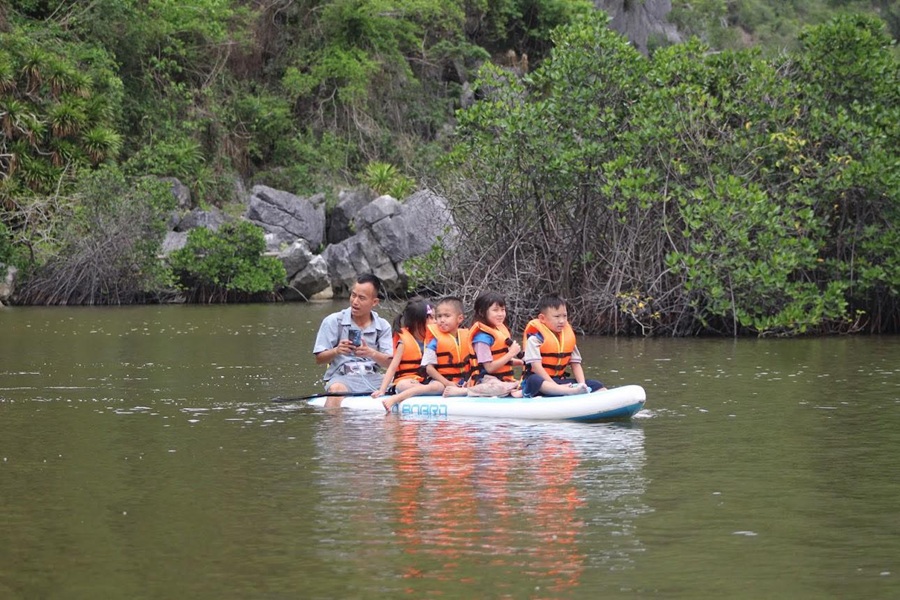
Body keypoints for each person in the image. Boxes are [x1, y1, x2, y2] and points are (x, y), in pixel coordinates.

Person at [313, 274, 393, 407]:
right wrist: (337, 351)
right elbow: (319, 359)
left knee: (402, 383)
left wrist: (371, 353)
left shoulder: (383, 326)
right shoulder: (333, 321)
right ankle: (332, 426)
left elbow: (390, 363)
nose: (355, 302)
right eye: (353, 295)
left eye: (361, 298)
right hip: (342, 379)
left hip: (373, 378)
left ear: (374, 302)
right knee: (337, 390)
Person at [520, 294, 606, 397]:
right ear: (542, 318)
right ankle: (566, 391)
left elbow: (576, 364)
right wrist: (557, 387)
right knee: (534, 380)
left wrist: (582, 385)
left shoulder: (567, 338)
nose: (562, 321)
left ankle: (575, 391)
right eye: (556, 316)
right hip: (540, 383)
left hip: (560, 382)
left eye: (564, 316)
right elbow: (536, 368)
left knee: (597, 384)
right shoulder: (535, 339)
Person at [373, 297, 438, 412]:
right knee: (403, 385)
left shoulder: (434, 340)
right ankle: (421, 391)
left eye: (435, 317)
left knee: (440, 385)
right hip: (407, 381)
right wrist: (382, 390)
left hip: (426, 381)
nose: (436, 321)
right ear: (418, 321)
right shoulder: (403, 342)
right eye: (431, 318)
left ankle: (424, 389)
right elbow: (392, 367)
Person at [468, 291, 522, 384]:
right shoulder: (482, 339)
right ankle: (464, 391)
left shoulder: (499, 331)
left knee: (524, 376)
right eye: (495, 310)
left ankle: (515, 386)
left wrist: (515, 361)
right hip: (486, 379)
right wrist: (510, 354)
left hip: (501, 378)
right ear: (482, 312)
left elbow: (498, 358)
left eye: (503, 309)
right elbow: (489, 368)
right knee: (499, 386)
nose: (500, 314)